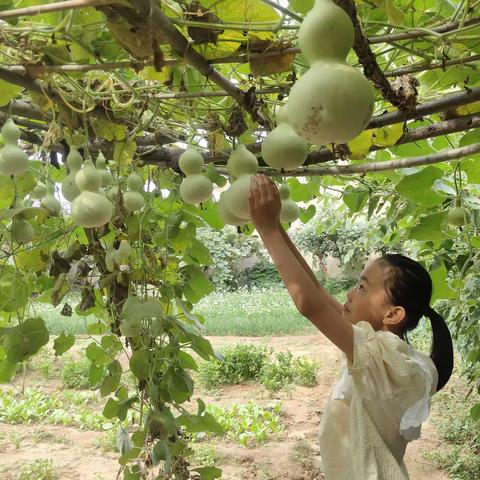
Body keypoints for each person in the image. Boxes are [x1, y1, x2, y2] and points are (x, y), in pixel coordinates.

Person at [247, 173, 454, 480]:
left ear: (393, 314)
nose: (349, 293)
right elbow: (315, 291)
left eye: (361, 288)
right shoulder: (380, 347)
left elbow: (309, 305)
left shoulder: (386, 357)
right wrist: (274, 224)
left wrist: (265, 229)